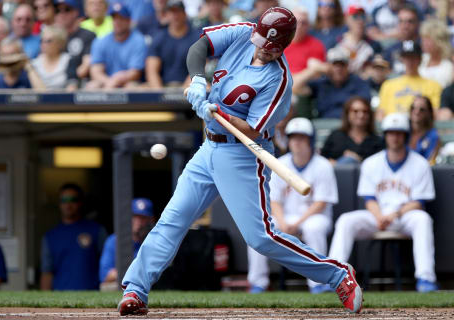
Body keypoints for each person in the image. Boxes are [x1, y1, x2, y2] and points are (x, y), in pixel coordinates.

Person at [117, 7, 363, 316]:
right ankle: (136, 290)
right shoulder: (242, 32)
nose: (261, 48)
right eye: (260, 41)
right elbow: (199, 48)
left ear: (283, 46)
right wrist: (197, 80)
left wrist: (217, 112)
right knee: (173, 218)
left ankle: (338, 275)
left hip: (244, 154)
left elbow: (250, 128)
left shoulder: (279, 80)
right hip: (209, 149)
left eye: (270, 47)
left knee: (260, 238)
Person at [328, 112, 439, 293]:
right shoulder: (372, 162)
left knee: (423, 219)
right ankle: (334, 277)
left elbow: (419, 201)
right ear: (385, 135)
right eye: (390, 133)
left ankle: (425, 278)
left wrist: (394, 215)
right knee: (346, 220)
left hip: (405, 216)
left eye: (399, 133)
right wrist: (380, 216)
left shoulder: (420, 164)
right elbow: (369, 199)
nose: (394, 137)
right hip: (377, 215)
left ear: (405, 135)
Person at [247, 118, 339, 294]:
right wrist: (282, 222)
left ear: (310, 140)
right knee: (258, 228)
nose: (296, 142)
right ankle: (258, 282)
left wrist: (297, 224)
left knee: (314, 227)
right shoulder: (280, 163)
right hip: (286, 216)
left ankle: (317, 283)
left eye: (301, 137)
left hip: (314, 217)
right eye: (293, 137)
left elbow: (321, 203)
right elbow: (274, 201)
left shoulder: (323, 165)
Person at [40, 183, 107, 290]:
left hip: (93, 297)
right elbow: (47, 273)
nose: (68, 204)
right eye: (64, 200)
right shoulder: (50, 236)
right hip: (59, 299)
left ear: (80, 202)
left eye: (73, 199)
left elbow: (107, 267)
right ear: (59, 203)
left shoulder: (97, 230)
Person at [292, 46, 371, 118]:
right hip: (323, 126)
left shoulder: (358, 83)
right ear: (328, 66)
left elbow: (364, 106)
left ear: (347, 67)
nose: (338, 69)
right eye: (335, 64)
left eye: (342, 65)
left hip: (349, 126)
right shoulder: (321, 83)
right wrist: (314, 70)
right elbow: (294, 86)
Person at [87, 1, 147, 89]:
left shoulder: (138, 40)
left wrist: (117, 80)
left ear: (129, 20)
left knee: (131, 87)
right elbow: (96, 71)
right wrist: (109, 82)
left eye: (121, 18)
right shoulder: (101, 41)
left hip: (128, 81)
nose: (117, 22)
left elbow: (135, 73)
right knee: (92, 86)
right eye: (114, 18)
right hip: (107, 82)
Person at [377, 40, 442, 120]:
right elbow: (380, 114)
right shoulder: (388, 85)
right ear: (402, 59)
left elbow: (434, 114)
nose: (410, 61)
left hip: (420, 127)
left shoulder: (433, 86)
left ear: (420, 59)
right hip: (393, 128)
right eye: (407, 57)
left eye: (413, 58)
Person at [99, 198, 155, 287]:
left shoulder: (155, 243)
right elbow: (105, 275)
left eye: (143, 218)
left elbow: (156, 274)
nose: (138, 222)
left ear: (151, 220)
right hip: (121, 290)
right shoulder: (114, 241)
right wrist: (137, 273)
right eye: (135, 216)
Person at [145, 0, 200, 88]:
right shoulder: (159, 38)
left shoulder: (196, 38)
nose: (175, 16)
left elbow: (200, 67)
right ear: (166, 15)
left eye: (178, 12)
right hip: (163, 86)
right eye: (172, 12)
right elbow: (152, 70)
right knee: (134, 87)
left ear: (185, 14)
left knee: (206, 87)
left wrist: (185, 91)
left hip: (189, 88)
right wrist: (160, 94)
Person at [321, 96, 384, 165]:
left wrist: (358, 160)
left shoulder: (377, 141)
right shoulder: (335, 136)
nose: (361, 115)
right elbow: (322, 161)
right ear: (347, 114)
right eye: (355, 111)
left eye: (365, 111)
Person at [54, 0, 96, 90]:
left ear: (76, 12)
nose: (62, 14)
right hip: (56, 83)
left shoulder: (88, 35)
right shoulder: (52, 38)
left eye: (67, 9)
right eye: (57, 10)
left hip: (81, 85)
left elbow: (85, 67)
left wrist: (71, 77)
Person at [334, 5, 381, 75]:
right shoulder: (336, 42)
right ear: (347, 19)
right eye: (355, 16)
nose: (360, 21)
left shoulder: (374, 45)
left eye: (362, 16)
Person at [284, 6, 326, 75]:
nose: (299, 26)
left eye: (303, 23)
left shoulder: (316, 45)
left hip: (306, 84)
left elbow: (316, 75)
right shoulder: (279, 43)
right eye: (296, 22)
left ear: (308, 26)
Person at [382, 4, 421, 76]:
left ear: (417, 23)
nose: (405, 26)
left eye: (410, 21)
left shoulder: (424, 47)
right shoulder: (390, 50)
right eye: (401, 21)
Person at [419, 19, 453, 88]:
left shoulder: (449, 66)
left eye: (428, 40)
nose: (424, 43)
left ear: (439, 42)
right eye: (423, 39)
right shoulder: (420, 59)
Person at [408, 96, 440, 164]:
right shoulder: (402, 132)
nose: (416, 112)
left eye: (421, 109)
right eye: (413, 108)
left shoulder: (433, 136)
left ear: (429, 113)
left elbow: (429, 161)